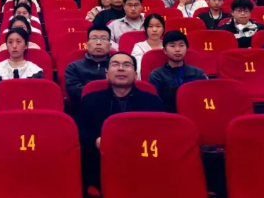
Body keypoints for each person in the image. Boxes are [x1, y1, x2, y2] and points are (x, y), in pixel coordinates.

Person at [75, 52, 164, 192]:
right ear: (106, 73)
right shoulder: (90, 100)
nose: (121, 68)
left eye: (127, 65)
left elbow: (163, 134)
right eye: (115, 64)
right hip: (102, 162)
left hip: (143, 162)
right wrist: (94, 141)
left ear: (135, 74)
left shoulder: (153, 101)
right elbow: (79, 131)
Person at [149, 31, 208, 112]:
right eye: (172, 46)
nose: (177, 49)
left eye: (181, 45)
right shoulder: (157, 75)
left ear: (186, 48)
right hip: (168, 116)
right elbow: (155, 104)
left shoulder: (198, 73)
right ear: (165, 50)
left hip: (194, 113)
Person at [64, 26, 112, 107]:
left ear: (110, 45)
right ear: (87, 44)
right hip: (84, 108)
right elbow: (74, 92)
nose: (98, 43)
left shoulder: (117, 66)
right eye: (94, 38)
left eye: (103, 39)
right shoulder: (74, 67)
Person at [0, 28, 43, 95]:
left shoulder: (35, 72)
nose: (14, 46)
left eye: (18, 42)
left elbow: (37, 96)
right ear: (6, 45)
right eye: (10, 42)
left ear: (26, 45)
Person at [131, 14, 165, 78]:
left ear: (163, 29)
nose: (154, 30)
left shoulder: (168, 46)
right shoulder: (139, 47)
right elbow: (137, 69)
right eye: (150, 26)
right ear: (145, 29)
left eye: (158, 26)